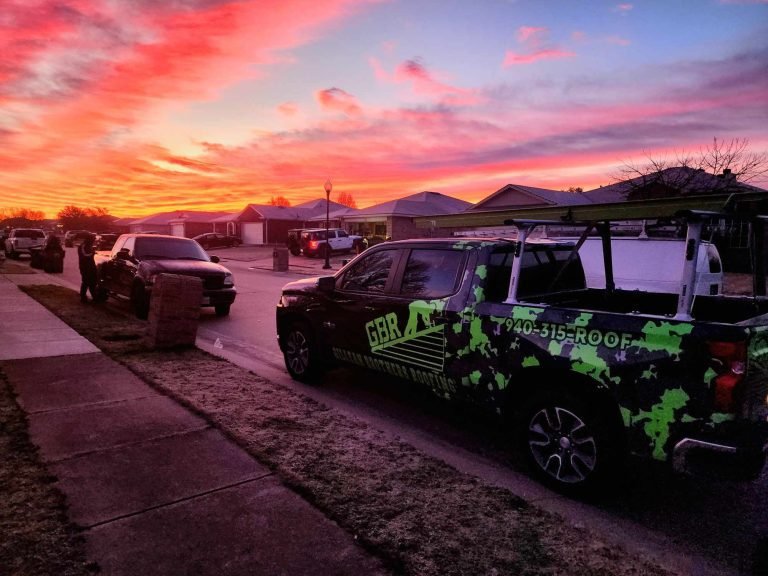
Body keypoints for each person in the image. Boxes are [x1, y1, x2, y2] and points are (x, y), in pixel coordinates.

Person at [78, 234, 98, 303]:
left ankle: (95, 297)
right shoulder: (83, 246)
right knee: (86, 282)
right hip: (85, 267)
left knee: (93, 282)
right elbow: (85, 255)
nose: (94, 241)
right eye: (93, 239)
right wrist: (92, 253)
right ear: (89, 239)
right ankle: (83, 297)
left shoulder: (90, 246)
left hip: (91, 266)